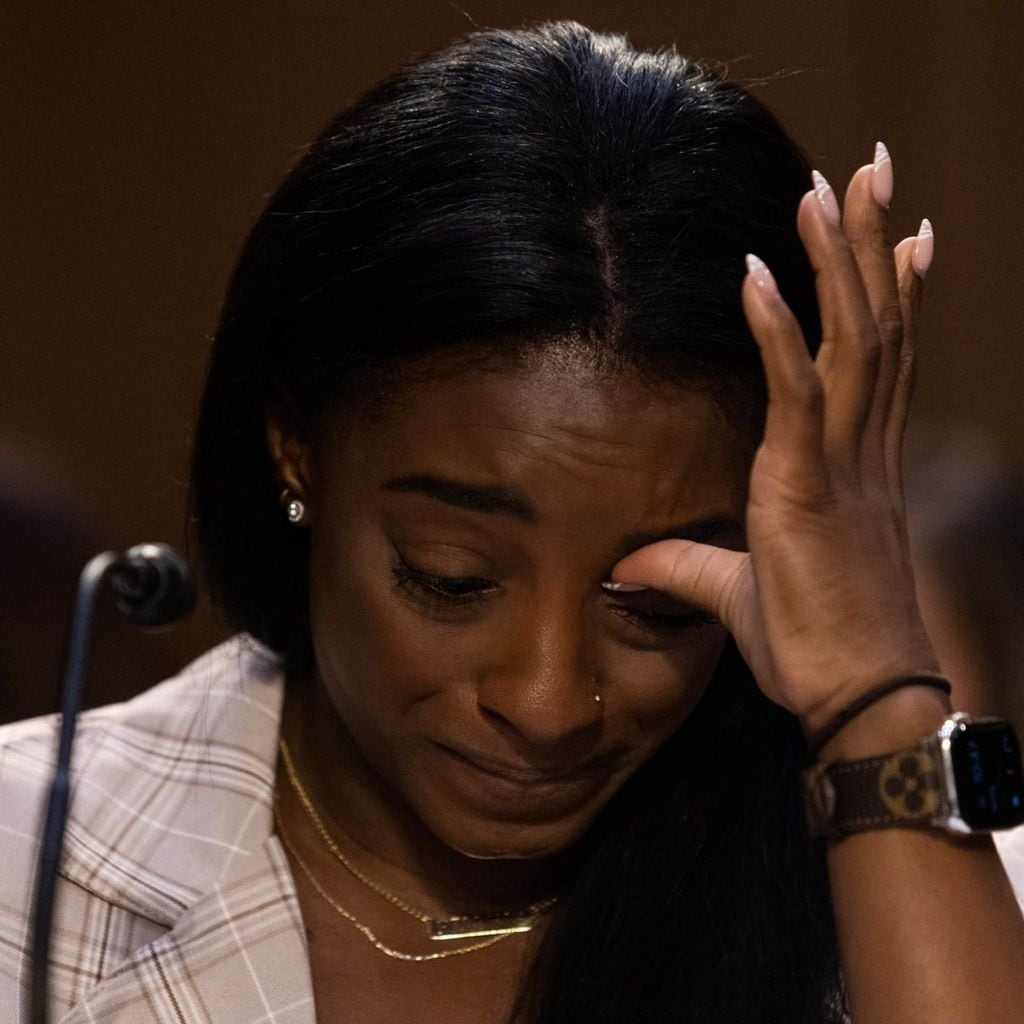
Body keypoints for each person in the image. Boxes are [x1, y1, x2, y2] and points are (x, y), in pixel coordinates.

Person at [2, 20, 1023, 1024]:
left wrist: (873, 689)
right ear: (294, 444)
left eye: (658, 608)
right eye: (451, 576)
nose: (548, 705)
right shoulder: (29, 864)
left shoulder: (931, 884)